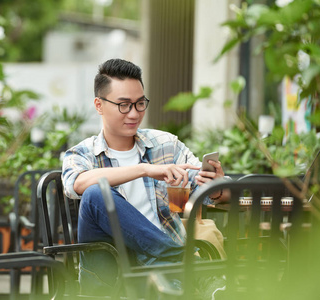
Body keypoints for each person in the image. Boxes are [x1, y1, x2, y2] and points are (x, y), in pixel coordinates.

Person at [62, 58, 227, 297]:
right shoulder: (80, 153)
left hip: (159, 271)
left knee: (163, 275)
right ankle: (190, 266)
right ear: (99, 105)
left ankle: (180, 267)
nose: (134, 113)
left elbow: (215, 193)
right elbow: (76, 184)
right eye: (124, 105)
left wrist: (218, 186)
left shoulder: (165, 146)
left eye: (140, 104)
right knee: (96, 193)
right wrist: (144, 169)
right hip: (111, 274)